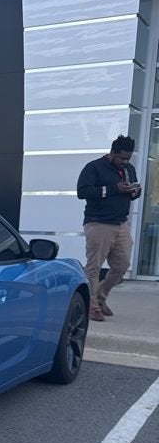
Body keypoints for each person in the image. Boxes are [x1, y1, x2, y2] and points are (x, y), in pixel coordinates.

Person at [76, 134, 141, 321]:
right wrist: (115, 188)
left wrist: (134, 191)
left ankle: (100, 297)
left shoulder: (129, 169)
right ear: (112, 152)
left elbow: (133, 192)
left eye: (128, 158)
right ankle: (92, 307)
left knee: (122, 266)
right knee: (94, 267)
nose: (125, 162)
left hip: (121, 223)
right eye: (121, 158)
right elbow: (83, 192)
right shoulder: (94, 167)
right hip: (99, 223)